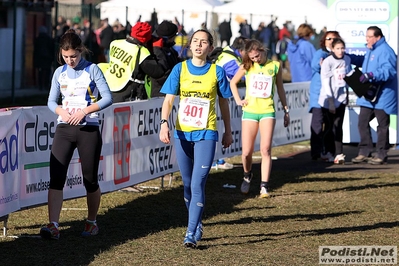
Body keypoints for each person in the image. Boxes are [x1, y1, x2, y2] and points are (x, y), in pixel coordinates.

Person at [159, 29, 233, 248]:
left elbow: (224, 104)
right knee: (188, 184)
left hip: (207, 133)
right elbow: (168, 101)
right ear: (189, 45)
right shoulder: (179, 69)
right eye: (195, 41)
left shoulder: (217, 72)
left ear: (210, 47)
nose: (199, 45)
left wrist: (228, 131)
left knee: (199, 182)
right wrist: (164, 123)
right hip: (182, 134)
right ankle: (197, 223)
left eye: (204, 42)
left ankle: (190, 233)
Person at [40, 29, 113, 240]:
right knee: (56, 177)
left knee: (89, 179)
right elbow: (51, 101)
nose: (70, 61)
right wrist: (61, 111)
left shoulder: (93, 69)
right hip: (64, 128)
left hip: (87, 128)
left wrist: (84, 111)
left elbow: (108, 98)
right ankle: (53, 225)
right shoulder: (59, 72)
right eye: (65, 57)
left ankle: (91, 222)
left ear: (80, 51)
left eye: (73, 56)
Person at [230, 39, 290, 198]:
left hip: (267, 111)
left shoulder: (275, 66)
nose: (256, 59)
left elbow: (281, 89)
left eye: (257, 56)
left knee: (265, 149)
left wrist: (286, 110)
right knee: (246, 153)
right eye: (252, 57)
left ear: (263, 50)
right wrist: (238, 100)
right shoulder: (247, 66)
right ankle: (247, 174)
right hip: (250, 111)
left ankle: (264, 186)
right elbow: (233, 83)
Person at [349, 26, 397, 165]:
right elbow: (364, 61)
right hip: (369, 95)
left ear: (377, 37)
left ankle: (381, 154)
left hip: (383, 96)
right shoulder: (371, 50)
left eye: (369, 37)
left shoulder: (386, 51)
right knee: (362, 122)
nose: (366, 39)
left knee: (382, 126)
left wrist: (371, 75)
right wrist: (348, 57)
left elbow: (389, 71)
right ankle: (365, 151)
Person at [101, 21, 165, 102]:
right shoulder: (141, 52)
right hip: (126, 94)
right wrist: (157, 49)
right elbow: (158, 72)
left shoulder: (115, 43)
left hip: (108, 87)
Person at [211, 36, 247, 170]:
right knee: (218, 128)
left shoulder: (227, 52)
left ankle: (218, 159)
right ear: (241, 50)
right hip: (218, 97)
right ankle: (217, 160)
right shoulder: (230, 60)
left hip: (218, 96)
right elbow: (242, 77)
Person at [309, 30, 342, 161]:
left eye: (334, 39)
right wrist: (322, 65)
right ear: (324, 40)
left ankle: (329, 151)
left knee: (330, 126)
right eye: (329, 39)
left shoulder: (339, 55)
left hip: (332, 96)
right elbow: (315, 65)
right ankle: (316, 153)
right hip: (319, 95)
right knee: (317, 124)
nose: (331, 41)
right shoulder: (320, 53)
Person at [318, 38, 352, 164]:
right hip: (328, 99)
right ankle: (327, 151)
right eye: (338, 48)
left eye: (342, 48)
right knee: (329, 127)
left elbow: (347, 78)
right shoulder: (328, 62)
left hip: (341, 98)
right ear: (332, 49)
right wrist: (331, 101)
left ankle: (339, 153)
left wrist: (347, 95)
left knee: (338, 127)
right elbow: (326, 82)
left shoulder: (347, 59)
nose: (341, 51)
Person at [150, 20, 181, 98]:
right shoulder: (156, 50)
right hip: (161, 93)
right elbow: (160, 73)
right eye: (175, 35)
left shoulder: (168, 48)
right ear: (169, 37)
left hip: (171, 91)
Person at [33, 26, 54, 90]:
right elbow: (52, 48)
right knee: (47, 71)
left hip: (39, 58)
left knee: (40, 72)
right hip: (48, 58)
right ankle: (46, 84)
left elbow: (35, 50)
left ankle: (40, 85)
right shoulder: (49, 39)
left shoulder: (37, 39)